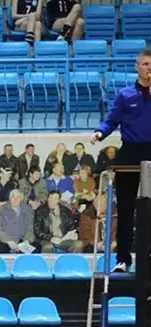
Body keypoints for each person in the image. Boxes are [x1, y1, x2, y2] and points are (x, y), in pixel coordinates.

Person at [91, 47, 151, 272]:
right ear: (137, 67)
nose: (149, 68)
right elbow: (112, 119)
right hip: (131, 152)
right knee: (125, 209)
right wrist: (100, 132)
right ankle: (123, 259)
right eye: (145, 64)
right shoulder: (126, 95)